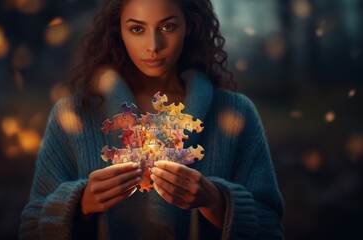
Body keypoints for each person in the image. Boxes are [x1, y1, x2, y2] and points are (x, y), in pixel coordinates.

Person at [19, 0, 284, 239]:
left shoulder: (235, 112)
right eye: (137, 29)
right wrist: (81, 204)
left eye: (168, 27)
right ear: (117, 30)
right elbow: (33, 226)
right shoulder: (73, 115)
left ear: (190, 26)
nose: (153, 46)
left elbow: (270, 227)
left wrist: (217, 202)